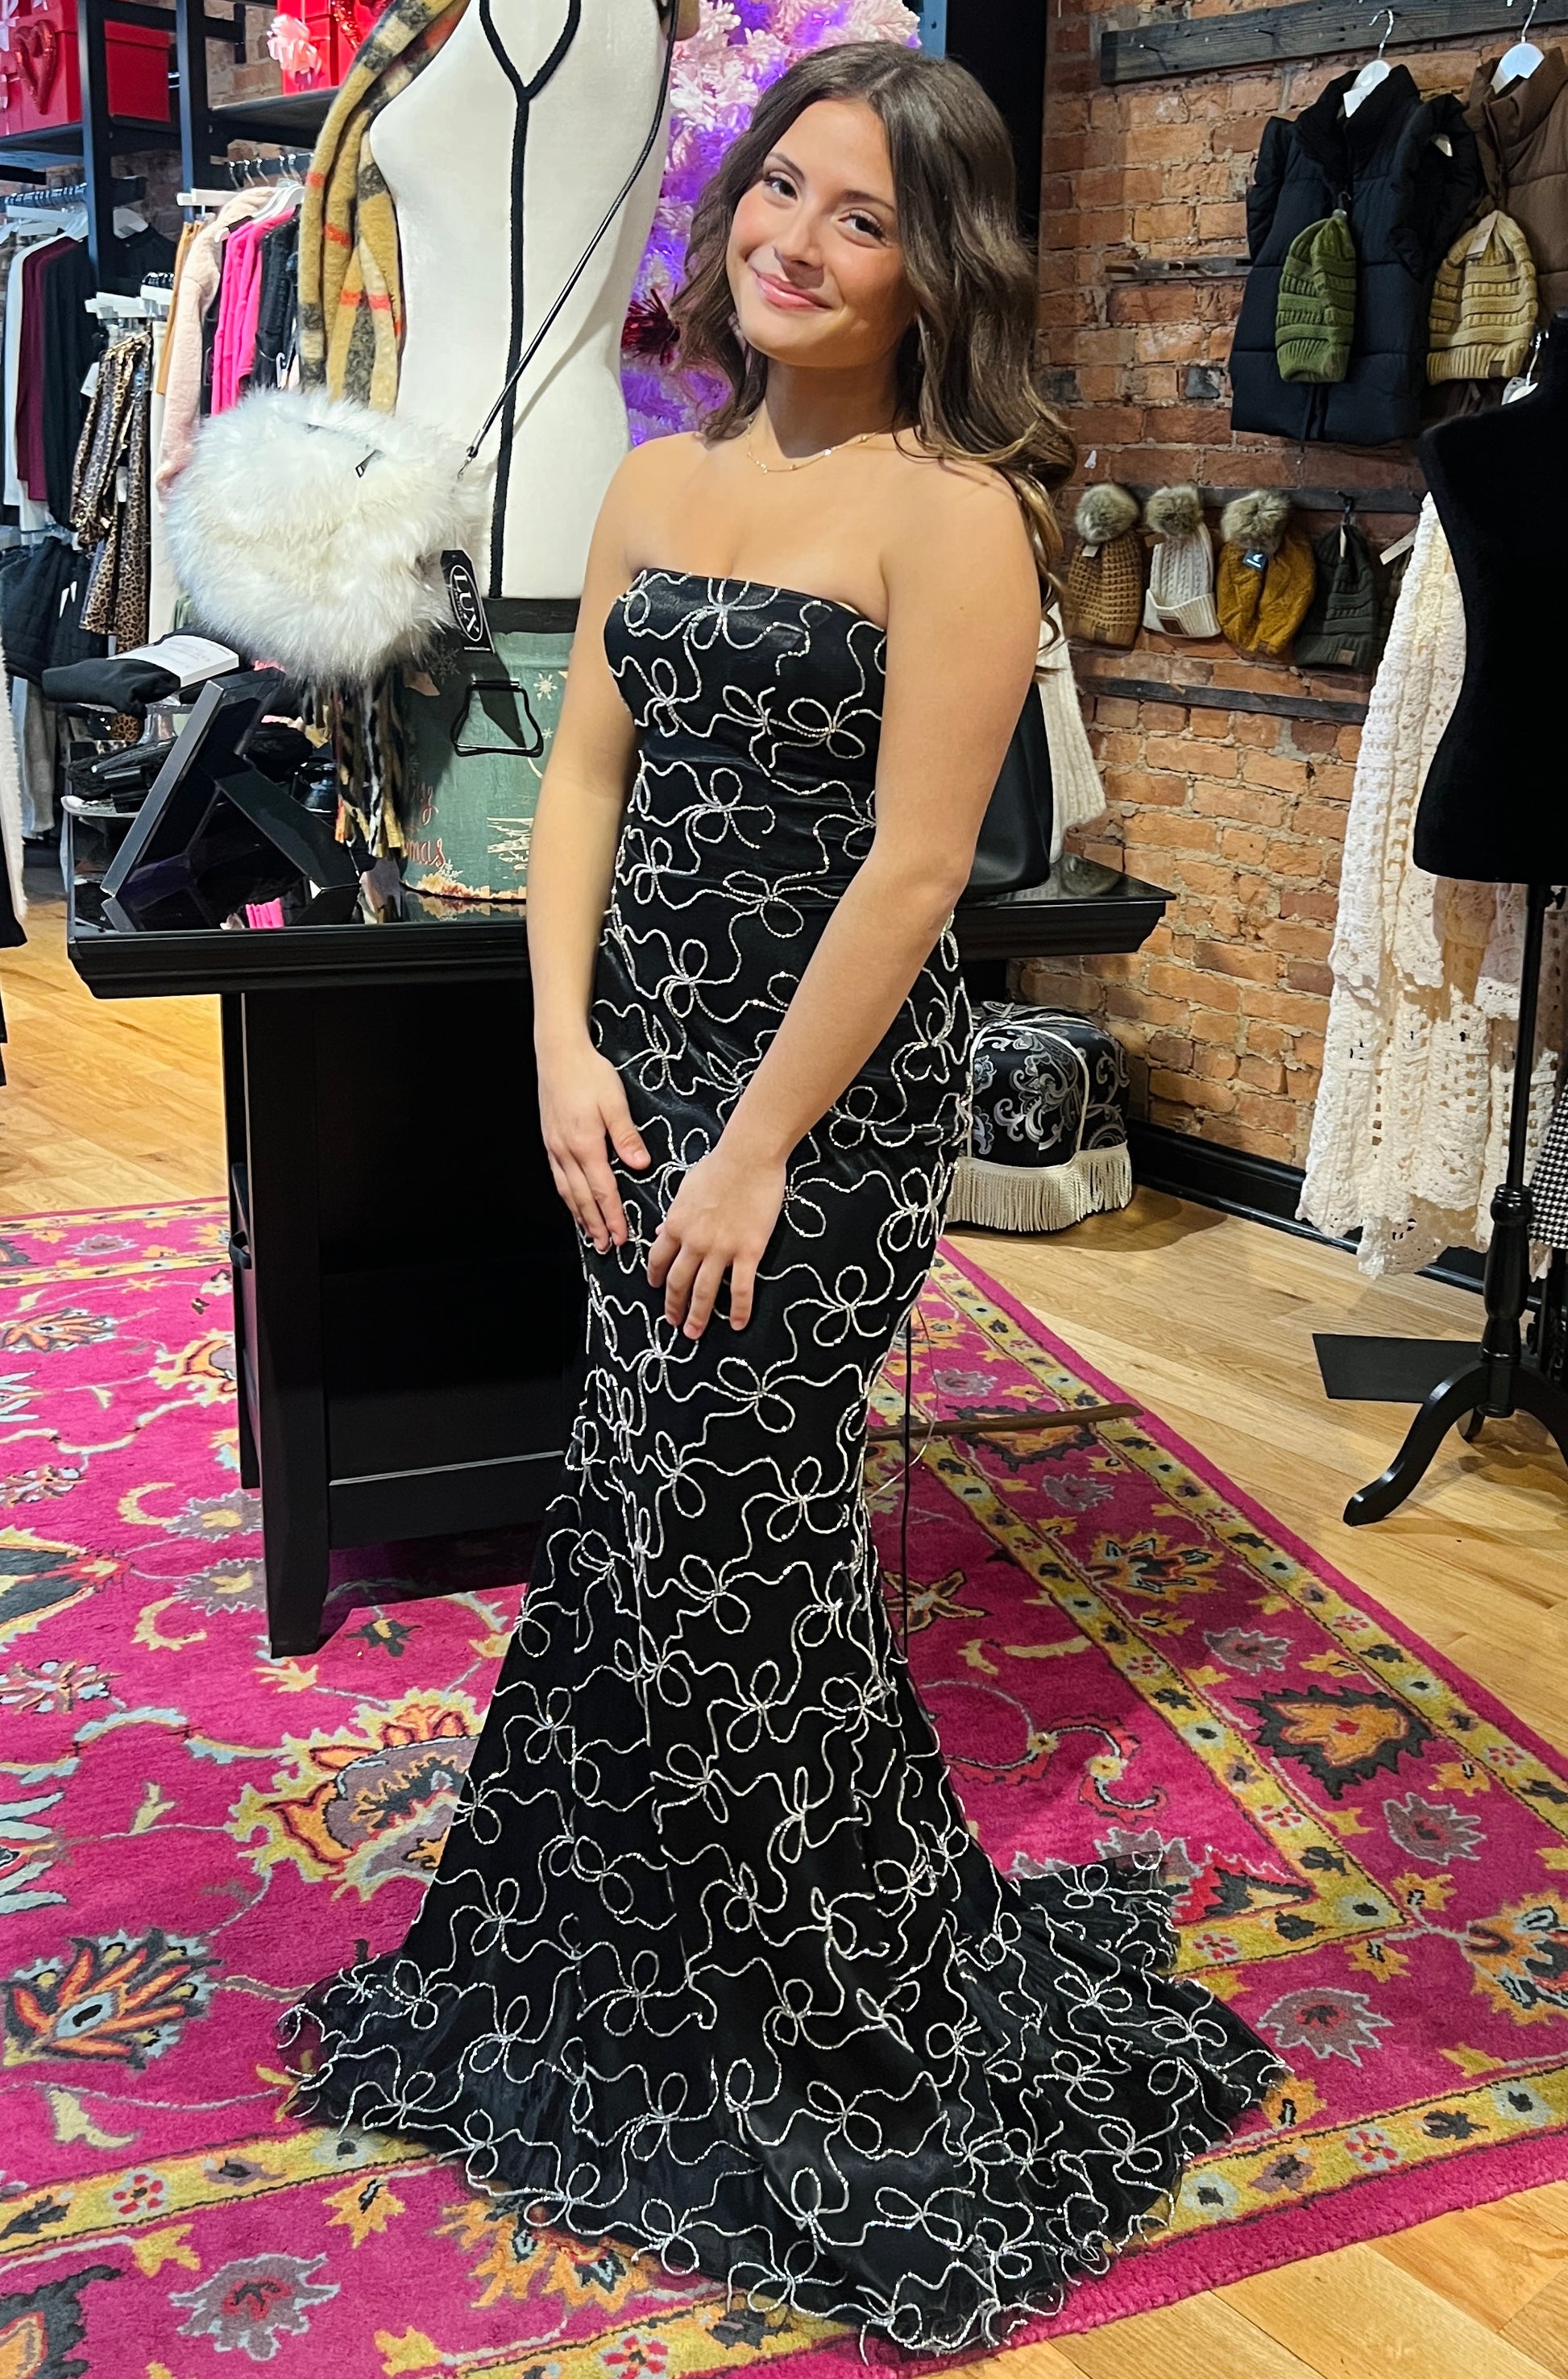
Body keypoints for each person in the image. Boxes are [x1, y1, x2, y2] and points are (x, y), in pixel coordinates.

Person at [288, 42, 1281, 2350]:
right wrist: (558, 1045)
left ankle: (831, 2017)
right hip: (635, 1081)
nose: (797, 242)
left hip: (811, 1122)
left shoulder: (958, 512)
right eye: (780, 192)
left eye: (862, 217)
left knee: (731, 1538)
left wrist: (751, 1148)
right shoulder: (657, 481)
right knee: (640, 1522)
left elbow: (920, 871)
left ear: (936, 270)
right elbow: (580, 790)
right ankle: (631, 1961)